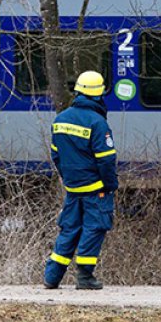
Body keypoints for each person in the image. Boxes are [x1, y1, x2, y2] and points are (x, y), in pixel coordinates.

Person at [44, 70, 118, 290]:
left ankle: (52, 276)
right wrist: (110, 184)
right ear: (98, 95)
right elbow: (106, 160)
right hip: (96, 189)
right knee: (94, 228)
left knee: (69, 229)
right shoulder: (98, 123)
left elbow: (56, 155)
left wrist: (68, 177)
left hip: (73, 188)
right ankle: (85, 277)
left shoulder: (60, 120)